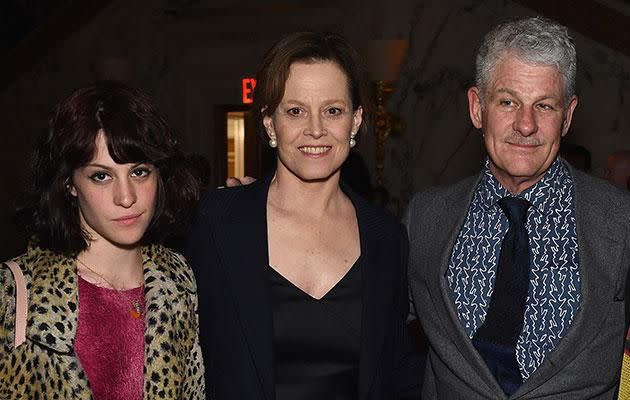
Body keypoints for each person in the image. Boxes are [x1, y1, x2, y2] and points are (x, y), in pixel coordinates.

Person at [186, 32, 420, 399]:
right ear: (269, 123)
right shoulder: (216, 223)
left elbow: (399, 373)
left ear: (356, 121)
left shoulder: (387, 237)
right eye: (295, 111)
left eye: (333, 110)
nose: (315, 129)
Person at [405, 17, 630, 399]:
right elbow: (370, 333)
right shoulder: (425, 217)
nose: (526, 125)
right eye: (508, 101)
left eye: (544, 105)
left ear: (568, 116)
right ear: (477, 108)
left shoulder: (620, 221)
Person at [0, 81, 205, 399]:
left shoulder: (179, 282)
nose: (126, 197)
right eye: (101, 176)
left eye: (139, 172)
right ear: (69, 183)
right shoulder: (14, 291)